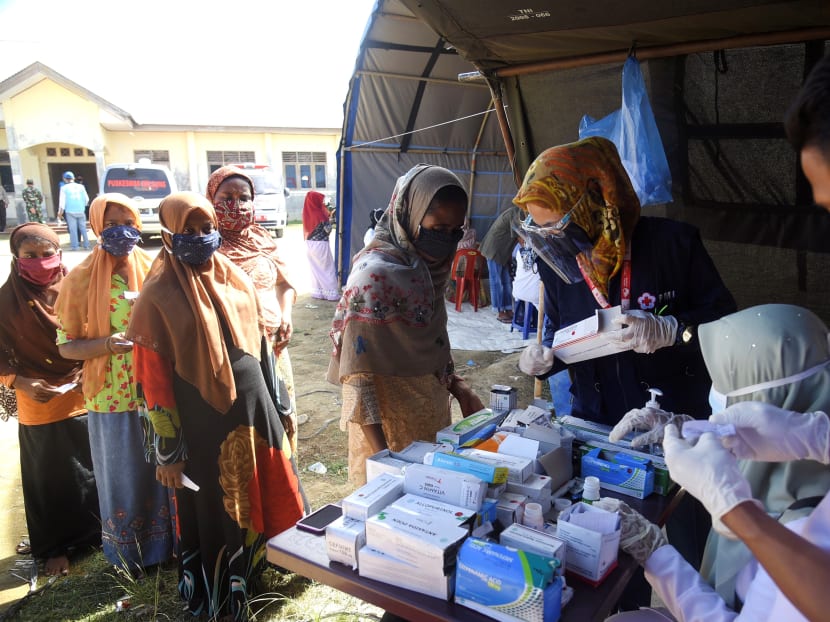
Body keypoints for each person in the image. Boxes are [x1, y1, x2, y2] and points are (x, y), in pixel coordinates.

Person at [127, 191, 305, 621]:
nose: (201, 238)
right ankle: (224, 596)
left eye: (207, 229)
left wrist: (278, 404)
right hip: (202, 425)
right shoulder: (157, 297)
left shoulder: (232, 276)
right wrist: (168, 454)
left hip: (254, 412)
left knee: (264, 488)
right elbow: (151, 384)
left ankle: (265, 570)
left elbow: (262, 346)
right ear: (167, 236)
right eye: (188, 231)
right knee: (219, 503)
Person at [327, 164, 486, 486]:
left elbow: (433, 343)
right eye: (437, 228)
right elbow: (359, 380)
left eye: (455, 231)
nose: (446, 240)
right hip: (387, 431)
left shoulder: (426, 273)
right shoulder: (374, 279)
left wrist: (459, 388)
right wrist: (386, 461)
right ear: (409, 214)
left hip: (433, 416)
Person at [54, 193, 173, 575]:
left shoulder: (154, 267)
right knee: (124, 473)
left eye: (129, 222)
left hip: (155, 389)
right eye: (110, 225)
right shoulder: (80, 280)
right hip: (111, 394)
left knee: (165, 466)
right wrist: (107, 344)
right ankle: (132, 554)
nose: (121, 231)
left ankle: (170, 545)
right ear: (95, 228)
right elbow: (67, 347)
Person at [0, 223, 100, 576]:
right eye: (30, 256)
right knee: (49, 477)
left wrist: (89, 370)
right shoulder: (4, 301)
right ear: (16, 258)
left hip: (86, 392)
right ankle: (55, 548)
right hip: (37, 400)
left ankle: (94, 537)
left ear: (59, 254)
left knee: (89, 472)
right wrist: (19, 381)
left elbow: (99, 331)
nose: (40, 263)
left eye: (47, 255)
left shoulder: (80, 289)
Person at [206, 166, 301, 455]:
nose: (237, 205)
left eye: (244, 197)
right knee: (247, 424)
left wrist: (286, 316)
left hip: (274, 346)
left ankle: (286, 478)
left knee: (281, 413)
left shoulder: (261, 239)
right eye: (227, 197)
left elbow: (285, 284)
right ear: (211, 199)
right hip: (234, 353)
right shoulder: (205, 243)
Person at [479, 206, 518, 323]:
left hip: (504, 252)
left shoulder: (521, 213)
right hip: (494, 250)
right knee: (497, 282)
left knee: (506, 281)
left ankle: (508, 309)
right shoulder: (516, 213)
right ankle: (500, 312)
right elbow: (520, 235)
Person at [302, 190, 339, 301]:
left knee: (315, 270)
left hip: (309, 244)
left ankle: (318, 292)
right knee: (327, 269)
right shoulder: (320, 214)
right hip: (321, 244)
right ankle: (332, 294)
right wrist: (331, 220)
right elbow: (327, 230)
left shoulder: (307, 213)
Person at [57, 171, 90, 250]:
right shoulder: (81, 187)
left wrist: (60, 214)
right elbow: (86, 199)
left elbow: (62, 202)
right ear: (73, 178)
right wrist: (82, 206)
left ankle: (75, 246)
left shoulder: (63, 188)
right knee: (83, 228)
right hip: (81, 210)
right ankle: (86, 245)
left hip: (70, 211)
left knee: (73, 229)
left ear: (65, 179)